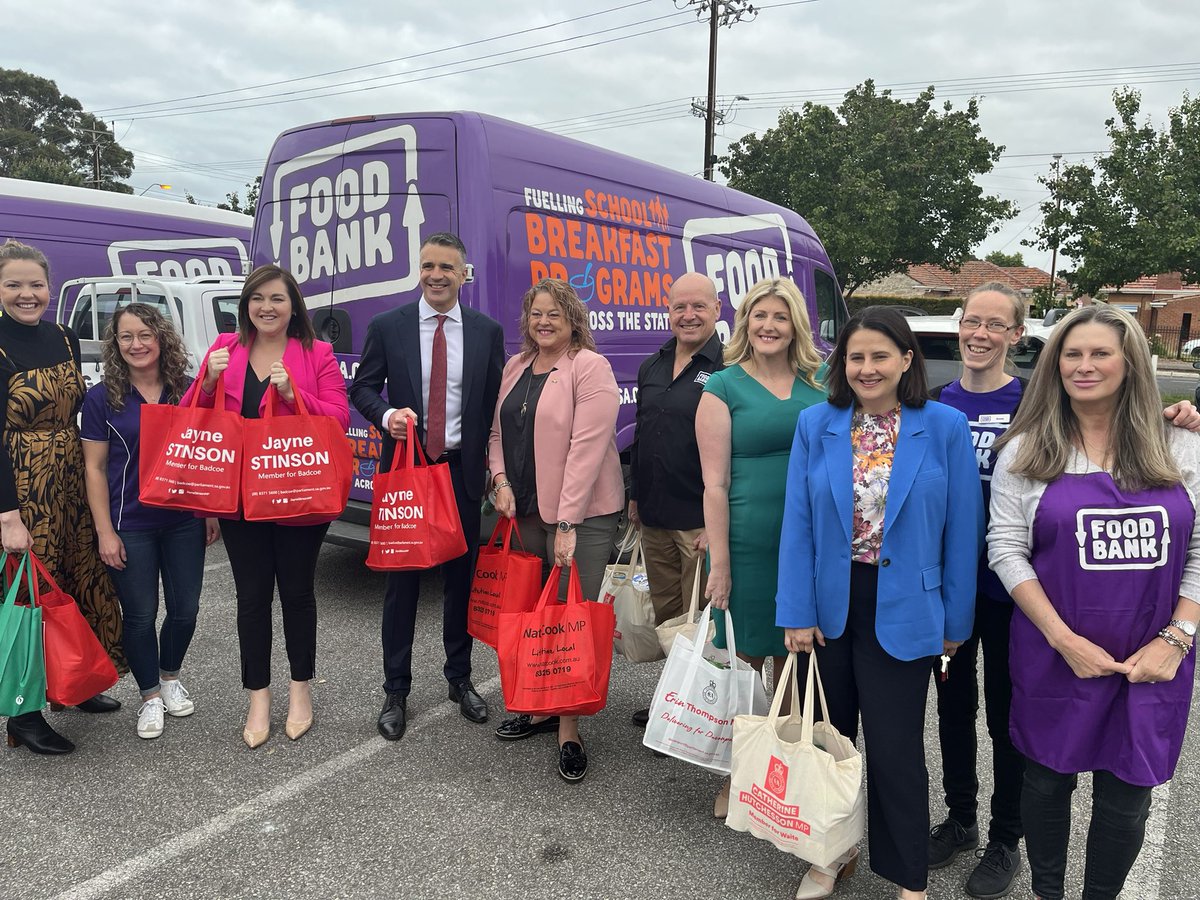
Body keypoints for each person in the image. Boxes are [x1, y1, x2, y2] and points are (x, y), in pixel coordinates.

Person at [928, 284, 1200, 899]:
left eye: (1100, 354)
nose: (1084, 366)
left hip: (1151, 655)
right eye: (1072, 355)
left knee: (1128, 794)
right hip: (1054, 650)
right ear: (1053, 366)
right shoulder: (1028, 449)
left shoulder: (1181, 446)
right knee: (1046, 784)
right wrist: (1062, 638)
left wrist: (1177, 639)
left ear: (1129, 363)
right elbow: (1005, 548)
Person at [777, 306, 983, 900]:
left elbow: (962, 533)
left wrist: (954, 620)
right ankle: (832, 855)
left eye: (879, 356)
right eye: (855, 356)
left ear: (906, 360)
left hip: (908, 610)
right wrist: (795, 610)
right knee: (831, 743)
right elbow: (799, 524)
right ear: (842, 363)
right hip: (830, 608)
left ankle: (907, 878)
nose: (867, 368)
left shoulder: (941, 426)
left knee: (895, 751)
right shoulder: (817, 423)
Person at [183, 264, 349, 748]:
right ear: (246, 305)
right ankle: (258, 696)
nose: (266, 308)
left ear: (293, 304)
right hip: (239, 498)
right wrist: (208, 385)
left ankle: (301, 692)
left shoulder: (316, 352)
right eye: (257, 299)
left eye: (277, 298)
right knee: (252, 598)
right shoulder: (222, 350)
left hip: (298, 494)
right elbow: (194, 422)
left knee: (297, 594)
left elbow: (338, 417)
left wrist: (294, 394)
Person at [350, 232, 505, 742]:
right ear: (419, 270)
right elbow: (364, 388)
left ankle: (459, 679)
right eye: (428, 266)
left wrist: (494, 468)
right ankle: (396, 689)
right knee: (402, 586)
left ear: (464, 274)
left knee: (461, 580)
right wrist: (389, 414)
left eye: (447, 267)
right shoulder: (388, 326)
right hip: (409, 472)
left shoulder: (485, 332)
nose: (436, 275)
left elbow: (492, 404)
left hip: (461, 474)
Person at [695, 277, 826, 818]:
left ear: (795, 324)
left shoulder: (818, 387)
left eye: (779, 316)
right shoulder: (722, 387)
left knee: (795, 660)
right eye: (758, 315)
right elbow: (714, 484)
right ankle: (737, 771)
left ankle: (784, 766)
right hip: (745, 541)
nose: (768, 326)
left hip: (807, 544)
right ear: (744, 322)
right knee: (744, 665)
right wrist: (719, 564)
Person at [488, 278, 624, 783]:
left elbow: (587, 450)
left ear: (573, 321)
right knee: (533, 612)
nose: (543, 322)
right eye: (536, 314)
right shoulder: (516, 366)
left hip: (581, 516)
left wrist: (566, 522)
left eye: (554, 314)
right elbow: (498, 430)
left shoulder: (590, 367)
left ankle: (569, 725)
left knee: (571, 615)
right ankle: (542, 705)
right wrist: (499, 479)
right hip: (522, 509)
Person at [0, 239, 123, 755]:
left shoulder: (65, 336)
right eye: (13, 285)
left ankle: (76, 684)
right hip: (23, 486)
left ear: (50, 287)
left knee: (79, 579)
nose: (27, 294)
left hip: (70, 480)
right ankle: (24, 716)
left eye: (36, 284)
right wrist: (7, 516)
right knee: (30, 597)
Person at [81, 303, 220, 740]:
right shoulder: (102, 397)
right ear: (115, 344)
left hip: (183, 520)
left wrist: (209, 509)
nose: (137, 344)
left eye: (145, 334)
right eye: (126, 337)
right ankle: (149, 697)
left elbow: (206, 452)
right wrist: (105, 532)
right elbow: (95, 469)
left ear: (162, 338)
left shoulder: (186, 389)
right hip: (130, 523)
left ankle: (170, 677)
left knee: (186, 610)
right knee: (140, 616)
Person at [627, 272, 723, 727]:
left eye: (698, 306)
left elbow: (735, 450)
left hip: (699, 521)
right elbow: (643, 434)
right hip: (655, 516)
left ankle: (702, 711)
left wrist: (717, 522)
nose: (688, 315)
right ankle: (674, 703)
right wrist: (634, 497)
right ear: (668, 310)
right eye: (679, 307)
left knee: (703, 620)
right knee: (669, 616)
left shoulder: (729, 367)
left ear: (716, 310)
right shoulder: (654, 363)